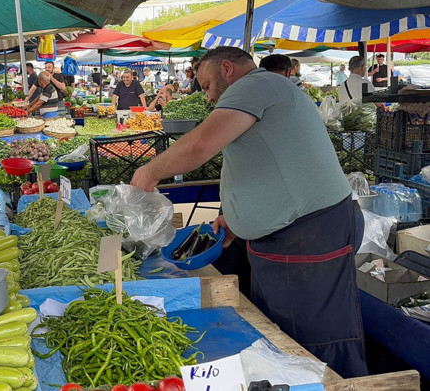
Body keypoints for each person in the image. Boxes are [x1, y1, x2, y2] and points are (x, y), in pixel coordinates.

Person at [131, 46, 367, 378]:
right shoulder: (263, 92)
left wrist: (149, 172)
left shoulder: (256, 85)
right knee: (285, 336)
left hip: (309, 232)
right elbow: (266, 164)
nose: (208, 97)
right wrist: (238, 219)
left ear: (226, 69)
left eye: (207, 85)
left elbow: (201, 145)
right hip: (294, 232)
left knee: (313, 339)